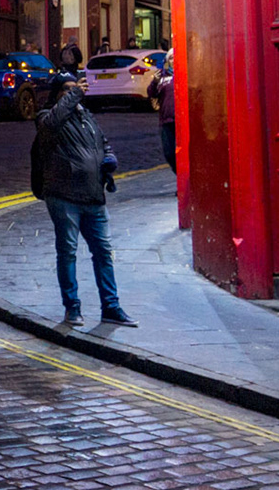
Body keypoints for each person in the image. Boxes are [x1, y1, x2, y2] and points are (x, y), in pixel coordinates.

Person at [31, 72, 137, 328]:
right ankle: (72, 307)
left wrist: (109, 157)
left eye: (75, 88)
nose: (72, 93)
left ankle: (111, 307)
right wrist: (76, 93)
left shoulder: (86, 117)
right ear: (56, 94)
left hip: (93, 196)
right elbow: (52, 123)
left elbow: (103, 142)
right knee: (68, 252)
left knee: (103, 252)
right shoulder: (46, 117)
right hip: (63, 196)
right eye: (66, 89)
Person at [148, 50, 176, 170]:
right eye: (171, 58)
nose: (174, 60)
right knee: (169, 153)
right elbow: (151, 93)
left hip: (181, 119)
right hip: (166, 120)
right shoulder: (162, 76)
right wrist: (154, 82)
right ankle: (180, 174)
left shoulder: (185, 74)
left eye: (176, 57)